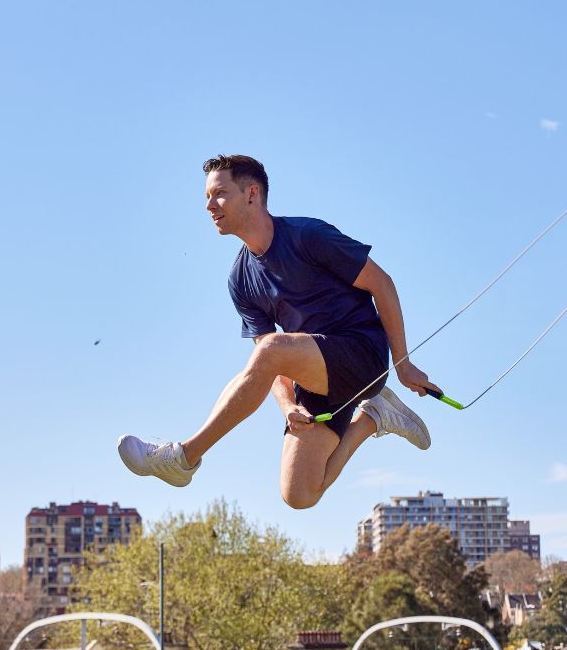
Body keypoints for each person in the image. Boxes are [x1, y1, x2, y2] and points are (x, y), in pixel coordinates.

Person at [118, 154, 441, 508]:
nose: (209, 205)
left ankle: (182, 458)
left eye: (219, 194)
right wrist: (288, 406)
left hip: (362, 354)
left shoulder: (308, 236)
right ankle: (374, 417)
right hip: (314, 375)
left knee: (272, 349)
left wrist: (404, 363)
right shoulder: (240, 278)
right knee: (299, 494)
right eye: (207, 197)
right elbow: (265, 360)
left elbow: (383, 284)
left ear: (252, 194)